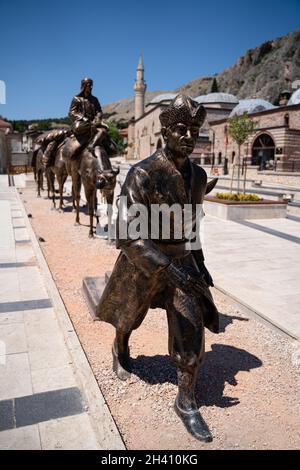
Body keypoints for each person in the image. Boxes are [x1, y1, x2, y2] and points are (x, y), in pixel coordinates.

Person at [96, 94, 219, 442]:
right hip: (144, 261)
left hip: (182, 261)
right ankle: (120, 345)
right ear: (165, 132)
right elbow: (125, 230)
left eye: (193, 129)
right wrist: (162, 266)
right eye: (180, 129)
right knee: (129, 316)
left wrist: (200, 264)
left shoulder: (197, 176)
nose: (188, 136)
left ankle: (185, 399)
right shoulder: (143, 173)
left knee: (191, 327)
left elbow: (193, 224)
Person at [68, 77, 108, 158]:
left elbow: (99, 111)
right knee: (78, 126)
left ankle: (92, 145)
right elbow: (72, 112)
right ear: (84, 86)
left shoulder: (94, 99)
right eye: (89, 85)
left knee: (103, 131)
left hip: (94, 123)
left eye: (91, 85)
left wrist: (98, 118)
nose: (91, 87)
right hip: (82, 123)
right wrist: (82, 117)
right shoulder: (76, 99)